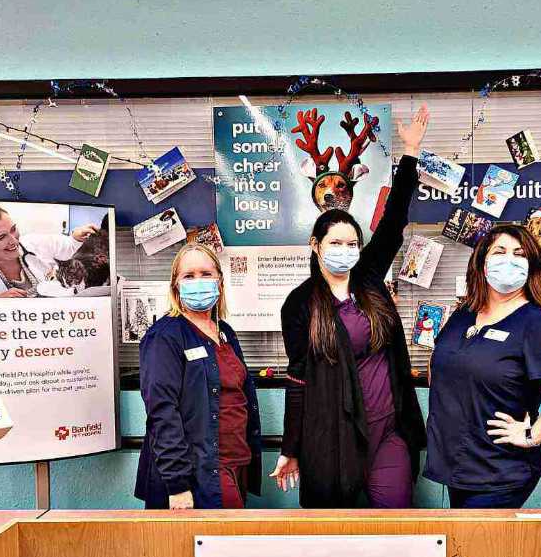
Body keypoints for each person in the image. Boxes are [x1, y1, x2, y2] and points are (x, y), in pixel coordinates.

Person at [270, 105, 430, 508]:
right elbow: (298, 381)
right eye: (335, 243)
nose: (345, 251)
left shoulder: (369, 279)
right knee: (336, 536)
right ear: (316, 246)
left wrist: (409, 154)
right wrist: (291, 448)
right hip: (334, 437)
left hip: (389, 431)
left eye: (351, 244)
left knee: (395, 524)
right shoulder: (300, 305)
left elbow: (393, 221)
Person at [426, 225, 541, 509]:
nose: (509, 260)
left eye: (519, 254)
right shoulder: (463, 315)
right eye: (499, 252)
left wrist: (532, 435)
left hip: (499, 470)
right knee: (464, 549)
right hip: (460, 465)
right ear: (482, 263)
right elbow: (439, 362)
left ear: (531, 266)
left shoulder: (538, 324)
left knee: (478, 550)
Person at [135, 243, 261, 509]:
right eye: (188, 276)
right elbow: (162, 413)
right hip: (198, 473)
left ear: (220, 282)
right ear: (175, 286)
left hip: (234, 463)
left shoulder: (224, 331)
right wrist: (177, 484)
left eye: (206, 274)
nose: (198, 282)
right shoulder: (164, 336)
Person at [0, 201, 98, 298]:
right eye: (1, 237)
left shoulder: (32, 243)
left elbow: (70, 246)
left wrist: (76, 237)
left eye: (13, 229)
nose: (14, 240)